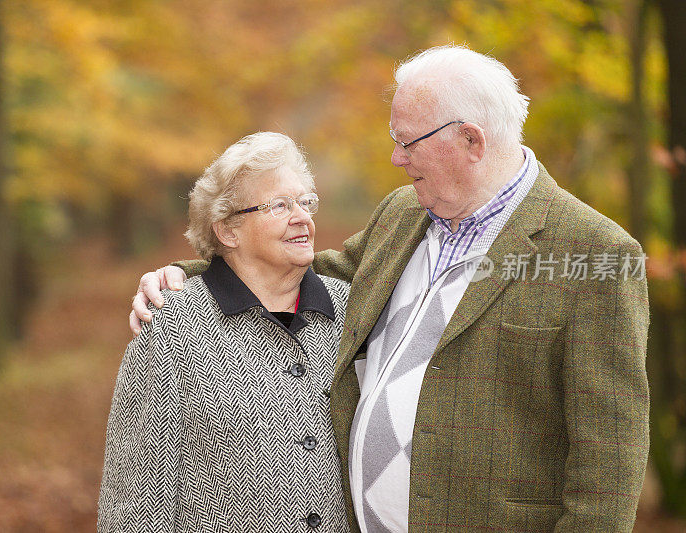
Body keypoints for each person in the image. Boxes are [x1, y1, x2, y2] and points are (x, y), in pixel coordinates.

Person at [129, 46, 650, 532]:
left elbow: (608, 462)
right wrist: (187, 274)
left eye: (407, 141)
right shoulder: (403, 215)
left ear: (471, 141)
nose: (397, 158)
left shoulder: (593, 253)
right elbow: (304, 270)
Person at [98, 132, 352, 532]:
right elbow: (136, 501)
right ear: (227, 230)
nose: (303, 216)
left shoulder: (353, 312)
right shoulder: (172, 327)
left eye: (306, 203)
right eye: (280, 205)